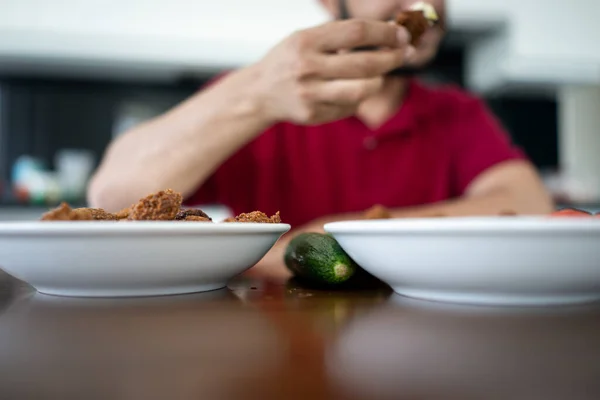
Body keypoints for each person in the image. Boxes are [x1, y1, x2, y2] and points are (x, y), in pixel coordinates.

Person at [88, 0, 553, 276]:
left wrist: (337, 233)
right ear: (331, 3)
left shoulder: (457, 112)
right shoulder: (258, 97)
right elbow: (110, 198)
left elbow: (530, 204)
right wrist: (255, 95)